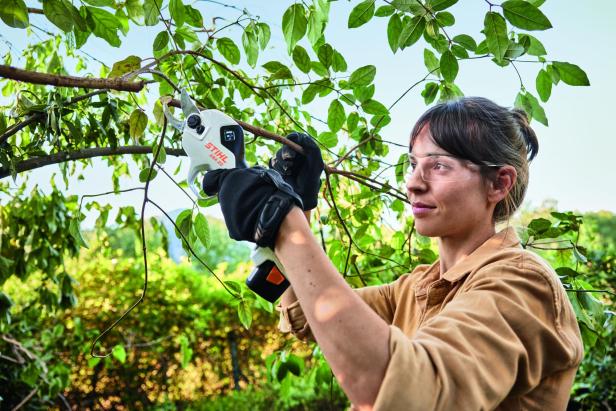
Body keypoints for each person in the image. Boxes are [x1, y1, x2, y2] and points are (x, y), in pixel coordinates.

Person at [203, 97, 583, 411]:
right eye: (413, 164)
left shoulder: (523, 284)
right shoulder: (417, 287)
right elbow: (307, 313)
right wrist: (293, 212)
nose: (414, 183)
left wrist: (284, 222)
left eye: (438, 165)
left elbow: (411, 394)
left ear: (499, 183)